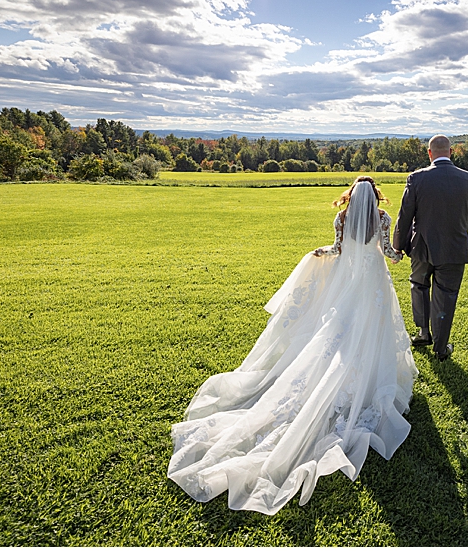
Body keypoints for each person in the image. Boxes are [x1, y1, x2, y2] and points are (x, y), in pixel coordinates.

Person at [168, 177, 417, 515]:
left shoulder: (341, 219)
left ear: (351, 197)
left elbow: (336, 250)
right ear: (374, 196)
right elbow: (387, 251)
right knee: (372, 330)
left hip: (348, 281)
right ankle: (371, 378)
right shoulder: (384, 219)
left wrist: (318, 254)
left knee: (339, 334)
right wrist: (397, 255)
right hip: (373, 281)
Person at [393, 135, 468, 360]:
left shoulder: (416, 178)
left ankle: (423, 333)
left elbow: (405, 217)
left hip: (421, 247)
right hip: (455, 247)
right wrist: (454, 230)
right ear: (451, 152)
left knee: (419, 285)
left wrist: (399, 246)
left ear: (429, 153)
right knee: (447, 295)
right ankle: (441, 348)